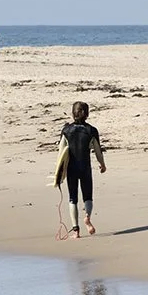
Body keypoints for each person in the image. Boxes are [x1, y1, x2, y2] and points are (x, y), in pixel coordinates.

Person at [55, 101, 106, 238]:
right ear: (87, 114)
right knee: (88, 197)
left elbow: (61, 153)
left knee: (73, 198)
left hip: (71, 169)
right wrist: (102, 164)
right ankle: (87, 217)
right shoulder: (91, 131)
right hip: (85, 168)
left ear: (73, 113)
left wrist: (58, 173)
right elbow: (97, 151)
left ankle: (76, 231)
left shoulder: (66, 131)